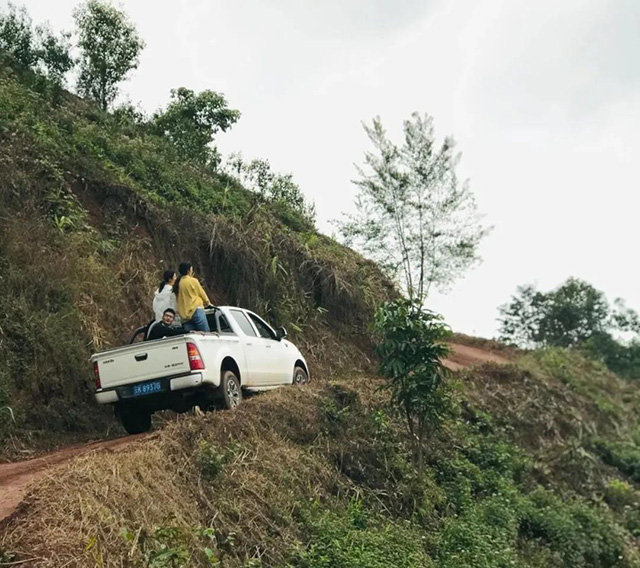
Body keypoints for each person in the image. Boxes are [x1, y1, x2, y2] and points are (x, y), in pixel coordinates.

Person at [174, 262, 212, 332]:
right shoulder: (193, 280)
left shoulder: (177, 283)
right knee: (206, 333)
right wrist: (208, 303)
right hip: (196, 309)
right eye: (191, 269)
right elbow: (201, 293)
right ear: (188, 271)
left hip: (184, 315)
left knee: (191, 335)